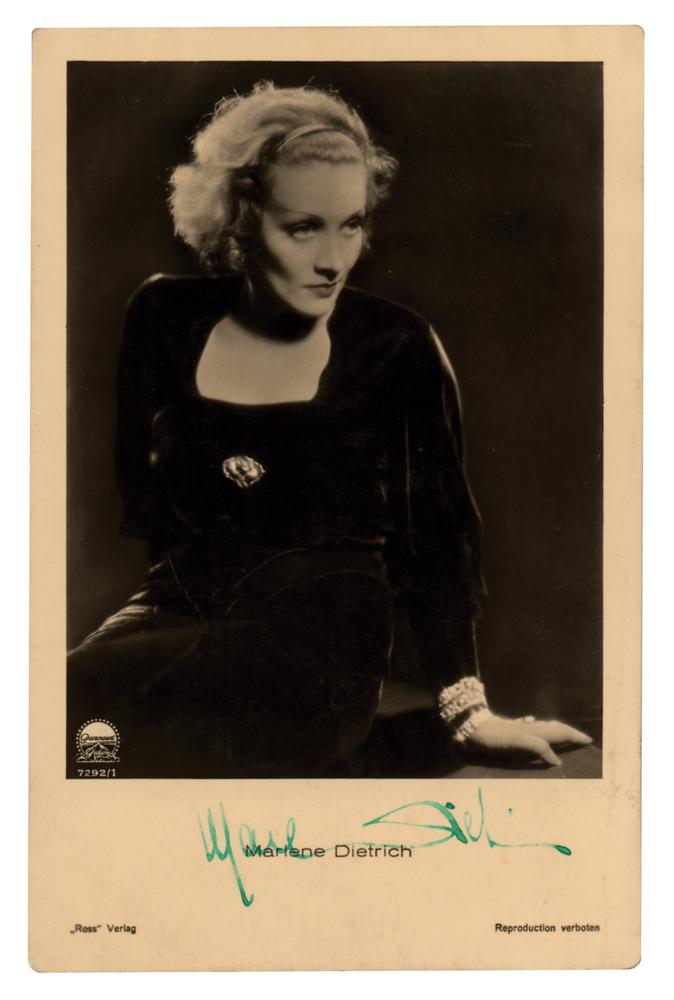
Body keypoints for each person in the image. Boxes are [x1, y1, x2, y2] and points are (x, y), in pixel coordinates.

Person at [67, 82, 592, 778]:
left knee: (82, 713)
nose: (334, 259)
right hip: (176, 615)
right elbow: (145, 503)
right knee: (63, 717)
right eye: (303, 228)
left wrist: (467, 712)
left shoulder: (397, 346)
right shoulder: (163, 316)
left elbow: (440, 541)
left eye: (351, 225)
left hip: (318, 654)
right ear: (241, 219)